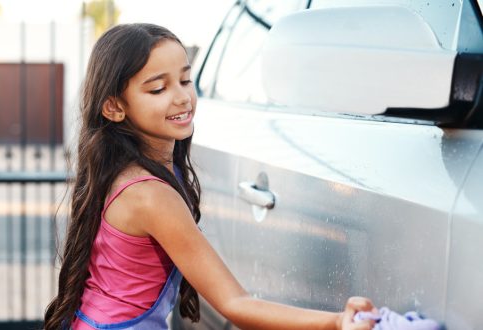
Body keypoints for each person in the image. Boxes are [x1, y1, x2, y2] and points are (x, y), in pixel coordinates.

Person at [44, 23, 377, 330]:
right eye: (158, 88)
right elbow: (234, 303)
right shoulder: (148, 194)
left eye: (185, 80)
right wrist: (336, 323)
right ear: (115, 107)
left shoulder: (128, 171)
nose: (181, 96)